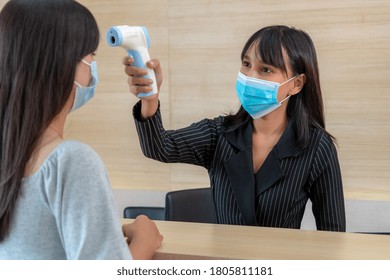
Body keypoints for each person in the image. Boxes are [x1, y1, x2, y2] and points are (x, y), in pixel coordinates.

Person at [123, 25, 346, 231]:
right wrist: (150, 99)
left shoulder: (317, 147)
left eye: (266, 69)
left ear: (296, 84)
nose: (250, 77)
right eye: (247, 64)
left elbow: (333, 234)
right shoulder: (219, 133)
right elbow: (158, 147)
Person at [0, 0, 162, 260]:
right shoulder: (71, 162)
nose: (92, 70)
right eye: (91, 58)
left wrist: (150, 102)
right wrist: (145, 239)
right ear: (62, 64)